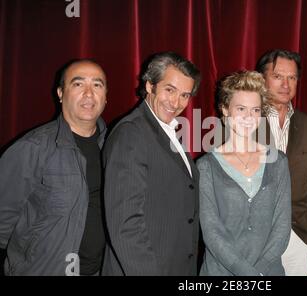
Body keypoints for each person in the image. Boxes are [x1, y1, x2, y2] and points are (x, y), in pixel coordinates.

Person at [0, 59, 108, 275]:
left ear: (106, 97)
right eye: (78, 84)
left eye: (97, 85)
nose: (89, 93)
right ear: (60, 93)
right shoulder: (32, 148)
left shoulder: (114, 146)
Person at [101, 52, 201, 276]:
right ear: (149, 85)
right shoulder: (132, 133)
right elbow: (125, 224)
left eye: (185, 95)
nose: (176, 103)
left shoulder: (167, 130)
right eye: (169, 90)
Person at [198, 71, 291, 276]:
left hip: (268, 273)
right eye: (241, 109)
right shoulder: (206, 167)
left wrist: (259, 272)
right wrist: (247, 274)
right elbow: (212, 232)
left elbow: (282, 227)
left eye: (255, 110)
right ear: (225, 110)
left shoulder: (279, 162)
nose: (249, 117)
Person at [256, 49, 307, 275]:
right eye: (277, 76)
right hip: (256, 235)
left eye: (292, 77)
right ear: (262, 80)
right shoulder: (244, 120)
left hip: (300, 234)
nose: (286, 84)